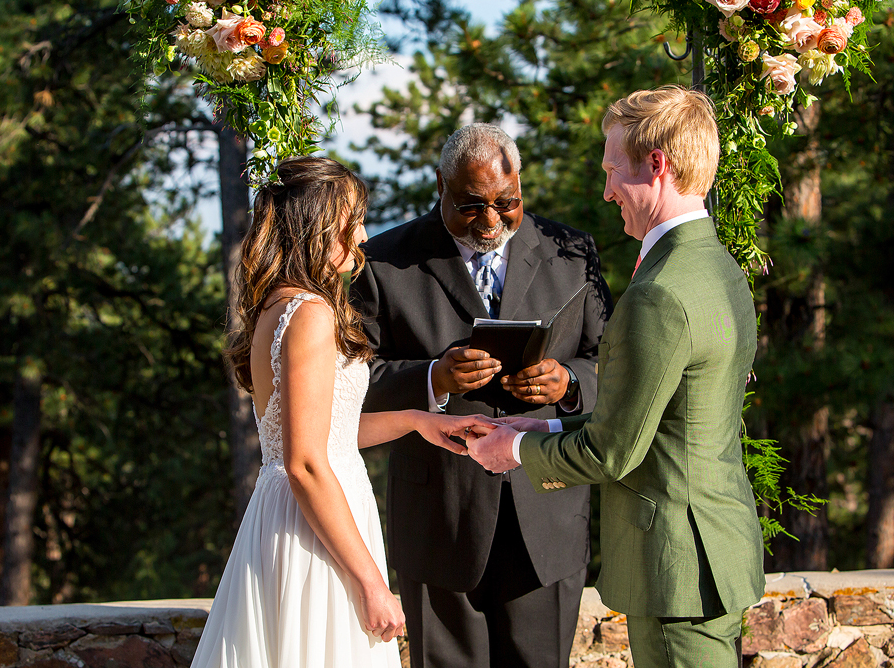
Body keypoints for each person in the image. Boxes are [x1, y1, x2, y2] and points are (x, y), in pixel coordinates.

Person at [467, 86, 766, 668]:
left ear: (657, 165)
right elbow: (662, 416)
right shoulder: (718, 265)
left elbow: (614, 453)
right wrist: (551, 421)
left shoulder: (659, 292)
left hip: (677, 565)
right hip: (714, 548)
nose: (606, 192)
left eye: (612, 171)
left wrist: (518, 448)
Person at [191, 157, 492, 668]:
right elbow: (306, 463)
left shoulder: (278, 304)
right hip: (314, 531)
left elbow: (323, 432)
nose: (362, 233)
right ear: (317, 227)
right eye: (351, 219)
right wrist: (371, 582)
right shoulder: (309, 312)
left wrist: (421, 421)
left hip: (298, 516)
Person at [350, 124, 612, 668]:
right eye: (471, 206)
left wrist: (568, 383)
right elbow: (349, 383)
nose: (491, 221)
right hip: (439, 519)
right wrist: (432, 379)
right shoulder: (382, 262)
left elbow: (613, 363)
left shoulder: (573, 254)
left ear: (522, 188)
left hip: (548, 514)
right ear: (439, 186)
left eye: (507, 203)